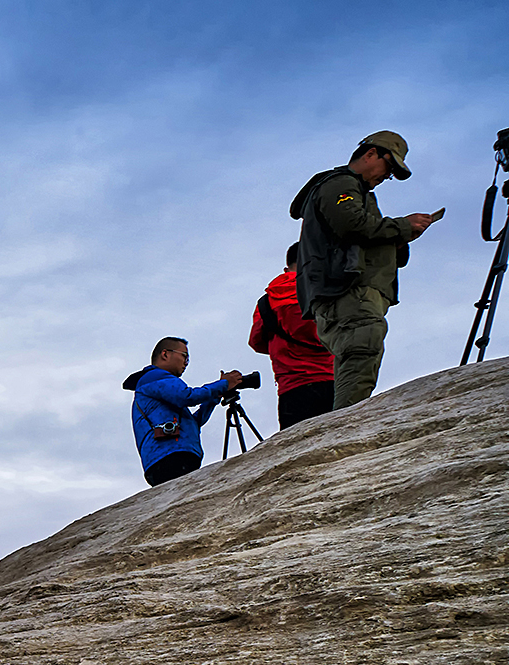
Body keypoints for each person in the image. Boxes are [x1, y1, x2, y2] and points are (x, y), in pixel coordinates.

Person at [289, 130, 439, 409]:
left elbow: (357, 235)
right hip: (348, 292)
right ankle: (342, 436)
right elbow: (351, 225)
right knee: (361, 351)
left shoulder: (354, 189)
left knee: (358, 356)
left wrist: (398, 240)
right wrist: (403, 226)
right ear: (371, 153)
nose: (387, 176)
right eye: (389, 166)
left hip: (345, 293)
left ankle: (341, 430)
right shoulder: (341, 183)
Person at [123, 338, 243, 487]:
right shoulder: (154, 378)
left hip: (170, 457)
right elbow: (188, 396)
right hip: (168, 456)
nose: (186, 362)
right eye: (184, 356)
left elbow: (194, 423)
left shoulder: (159, 388)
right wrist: (224, 384)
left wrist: (215, 397)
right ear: (165, 354)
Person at [249, 242, 336, 429]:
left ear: (286, 269)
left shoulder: (267, 301)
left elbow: (256, 341)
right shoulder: (327, 290)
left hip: (292, 387)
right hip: (333, 379)